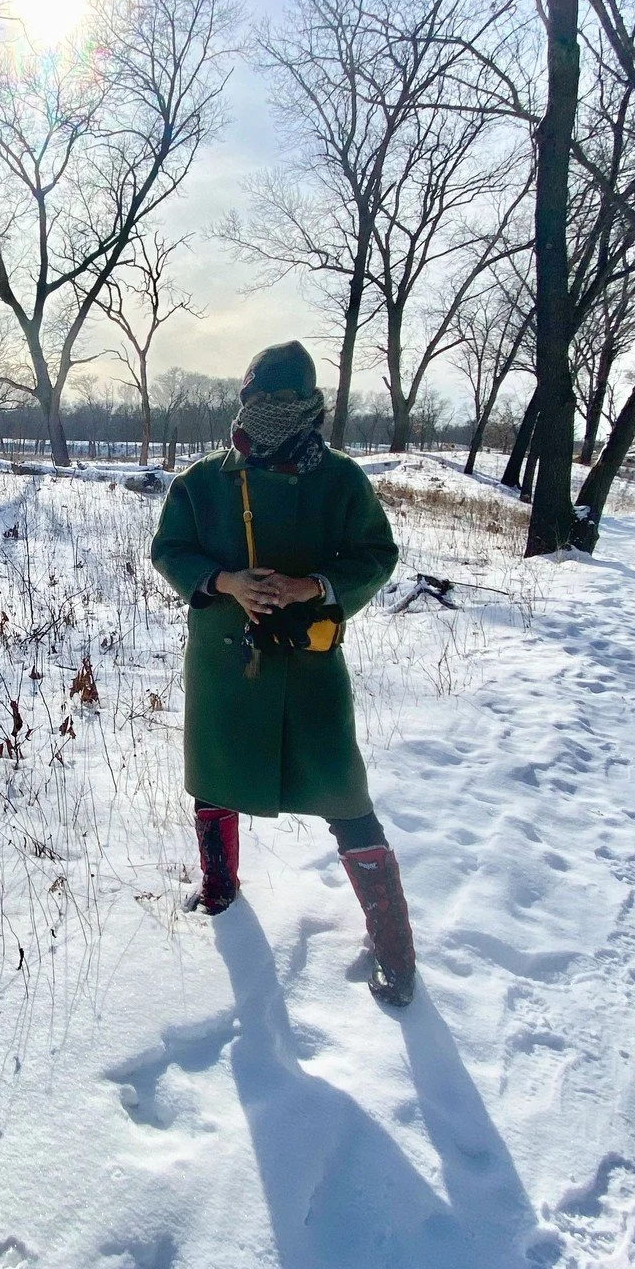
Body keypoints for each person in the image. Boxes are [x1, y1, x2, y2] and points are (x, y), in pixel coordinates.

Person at [150, 340, 416, 1007]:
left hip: (308, 663)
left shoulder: (340, 481)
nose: (267, 414)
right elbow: (169, 550)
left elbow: (375, 554)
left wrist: (313, 587)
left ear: (310, 406)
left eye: (283, 401)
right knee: (213, 777)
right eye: (256, 400)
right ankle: (218, 888)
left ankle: (395, 948)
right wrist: (225, 581)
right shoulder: (204, 481)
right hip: (225, 659)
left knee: (344, 795)